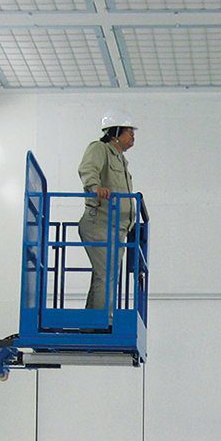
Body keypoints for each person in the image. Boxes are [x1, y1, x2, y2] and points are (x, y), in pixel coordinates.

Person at [78, 110, 137, 312]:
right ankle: (104, 321)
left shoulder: (121, 160)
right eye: (129, 131)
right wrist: (95, 188)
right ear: (115, 132)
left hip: (116, 229)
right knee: (107, 273)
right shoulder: (99, 148)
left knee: (104, 274)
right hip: (100, 224)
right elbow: (88, 169)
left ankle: (91, 322)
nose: (132, 136)